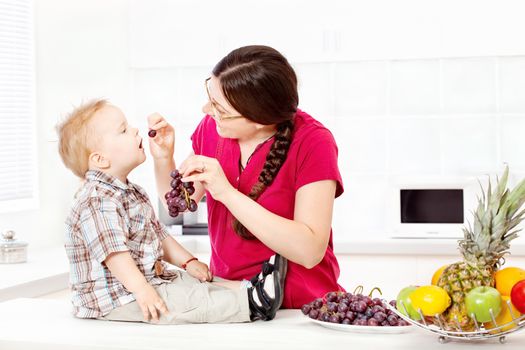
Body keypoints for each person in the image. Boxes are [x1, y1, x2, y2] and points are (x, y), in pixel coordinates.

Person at [56, 99, 287, 324]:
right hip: (117, 298)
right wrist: (142, 290)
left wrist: (188, 262)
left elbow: (159, 236)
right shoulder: (96, 200)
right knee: (187, 301)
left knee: (194, 281)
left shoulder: (131, 192)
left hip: (148, 281)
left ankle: (251, 287)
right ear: (100, 159)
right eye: (124, 130)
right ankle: (252, 304)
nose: (135, 130)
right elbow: (115, 255)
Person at [148, 45, 345, 309]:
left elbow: (309, 251)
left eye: (219, 107)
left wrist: (227, 193)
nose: (206, 109)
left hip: (298, 306)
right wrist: (163, 159)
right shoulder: (212, 129)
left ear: (260, 119)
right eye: (210, 94)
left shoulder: (313, 141)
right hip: (232, 299)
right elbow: (180, 207)